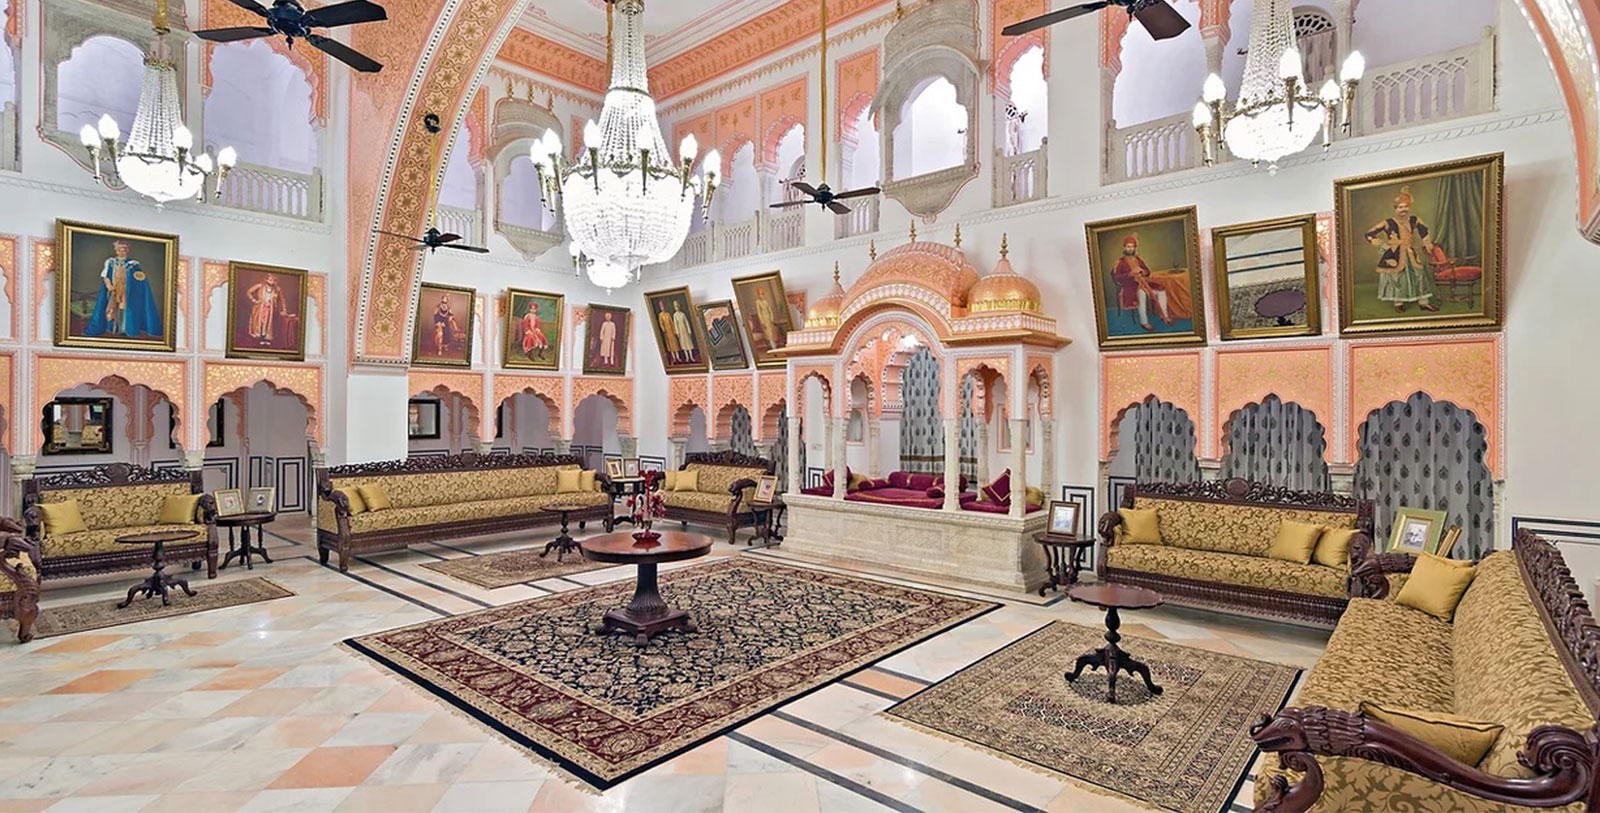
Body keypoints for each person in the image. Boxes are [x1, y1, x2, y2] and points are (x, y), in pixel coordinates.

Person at [1363, 186, 1440, 314]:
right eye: (1400, 207)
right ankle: (1398, 303)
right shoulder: (1387, 222)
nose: (1403, 209)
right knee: (1397, 278)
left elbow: (1424, 231)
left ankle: (1424, 303)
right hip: (1394, 254)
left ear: (1409, 207)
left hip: (1411, 252)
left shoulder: (1414, 220)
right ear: (1395, 208)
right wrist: (1382, 244)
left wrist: (1427, 243)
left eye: (1406, 206)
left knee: (1419, 276)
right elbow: (1369, 234)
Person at [1110, 233, 1192, 332]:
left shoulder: (1139, 259)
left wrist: (1143, 271)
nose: (1130, 249)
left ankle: (1164, 316)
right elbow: (1117, 277)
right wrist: (1130, 274)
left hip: (1144, 283)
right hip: (1130, 286)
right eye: (1128, 247)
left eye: (1132, 247)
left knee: (1161, 290)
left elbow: (1147, 271)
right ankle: (1144, 322)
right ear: (1125, 247)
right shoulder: (1120, 262)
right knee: (1141, 294)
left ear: (1135, 248)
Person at [84, 239, 164, 339]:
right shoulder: (110, 262)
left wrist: (132, 285)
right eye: (119, 250)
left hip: (126, 291)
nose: (121, 252)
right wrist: (109, 285)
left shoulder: (133, 264)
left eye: (123, 250)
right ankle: (114, 328)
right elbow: (105, 275)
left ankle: (124, 328)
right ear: (116, 251)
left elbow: (140, 279)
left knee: (124, 308)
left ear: (127, 251)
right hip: (113, 289)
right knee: (112, 308)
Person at [246, 273, 295, 347]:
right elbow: (249, 292)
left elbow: (282, 300)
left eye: (274, 280)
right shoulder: (260, 286)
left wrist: (284, 309)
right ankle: (260, 339)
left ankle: (266, 339)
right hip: (260, 308)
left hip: (271, 310)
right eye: (270, 280)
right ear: (266, 280)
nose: (272, 281)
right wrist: (254, 300)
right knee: (261, 322)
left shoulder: (277, 289)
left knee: (269, 324)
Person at [753, 286, 786, 351]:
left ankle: (775, 345)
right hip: (764, 319)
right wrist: (762, 322)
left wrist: (771, 318)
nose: (761, 295)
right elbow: (759, 312)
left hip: (769, 319)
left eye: (762, 294)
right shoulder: (758, 302)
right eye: (760, 294)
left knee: (773, 332)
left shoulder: (765, 301)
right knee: (768, 333)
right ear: (758, 295)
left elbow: (770, 310)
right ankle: (772, 346)